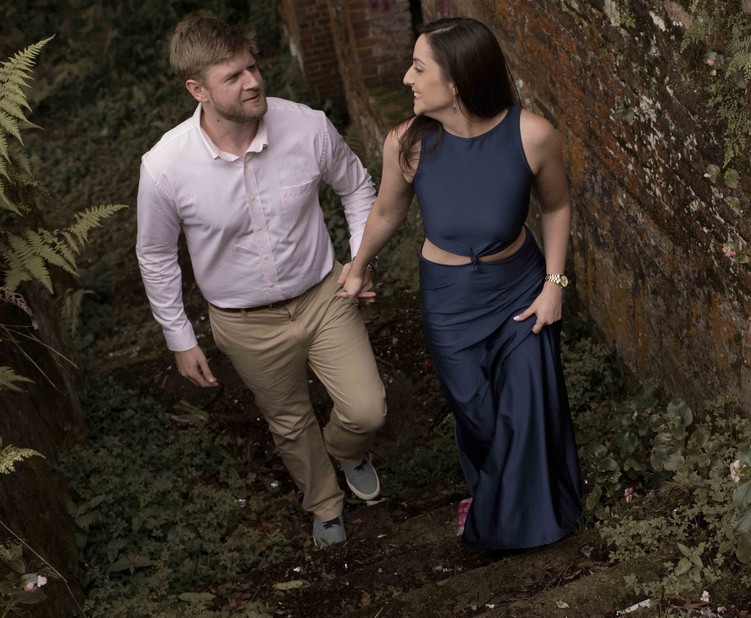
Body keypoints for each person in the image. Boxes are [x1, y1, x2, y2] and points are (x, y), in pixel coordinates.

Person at [135, 14, 386, 547]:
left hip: (323, 296)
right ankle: (323, 503)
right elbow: (156, 256)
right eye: (233, 77)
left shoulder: (307, 126)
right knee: (290, 422)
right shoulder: (165, 167)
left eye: (253, 67)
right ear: (197, 89)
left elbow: (357, 186)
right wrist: (180, 339)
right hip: (244, 324)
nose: (253, 81)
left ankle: (346, 450)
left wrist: (359, 261)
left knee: (366, 410)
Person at [340, 17, 581, 550]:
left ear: (457, 82)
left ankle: (518, 524)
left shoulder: (533, 134)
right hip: (450, 304)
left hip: (519, 290)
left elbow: (558, 205)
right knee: (479, 417)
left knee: (525, 409)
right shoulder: (407, 143)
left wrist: (554, 283)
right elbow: (385, 213)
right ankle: (493, 493)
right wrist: (356, 267)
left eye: (419, 67)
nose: (406, 78)